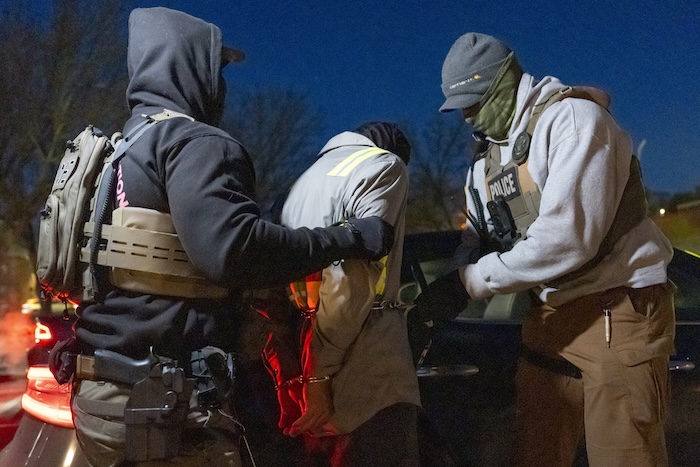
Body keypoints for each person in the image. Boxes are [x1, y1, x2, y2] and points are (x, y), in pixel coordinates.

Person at [65, 8, 394, 467]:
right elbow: (239, 251)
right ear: (194, 70)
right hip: (166, 411)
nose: (222, 87)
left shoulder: (119, 152)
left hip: (101, 398)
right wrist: (351, 237)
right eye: (217, 71)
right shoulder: (195, 143)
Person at [414, 32, 676, 467]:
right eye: (459, 107)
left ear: (504, 80)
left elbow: (568, 238)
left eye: (474, 101)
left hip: (616, 308)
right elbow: (476, 238)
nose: (465, 116)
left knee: (625, 456)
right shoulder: (486, 162)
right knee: (534, 454)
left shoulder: (572, 120)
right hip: (549, 315)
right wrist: (441, 297)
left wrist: (471, 283)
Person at [262, 122, 422, 466]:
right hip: (369, 375)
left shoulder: (301, 181)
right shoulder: (383, 165)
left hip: (307, 379)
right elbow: (352, 277)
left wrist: (303, 373)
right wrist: (321, 371)